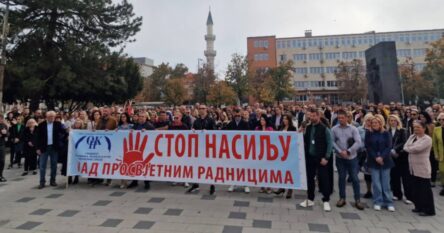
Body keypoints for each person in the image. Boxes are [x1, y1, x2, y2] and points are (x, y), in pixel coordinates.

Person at [299, 108, 333, 212]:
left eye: (314, 116)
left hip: (321, 158)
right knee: (310, 179)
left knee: (324, 179)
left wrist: (326, 157)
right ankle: (310, 199)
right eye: (310, 116)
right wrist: (300, 133)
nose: (312, 118)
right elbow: (304, 140)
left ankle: (326, 200)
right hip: (310, 157)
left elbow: (330, 144)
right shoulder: (308, 128)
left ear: (318, 116)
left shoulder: (324, 128)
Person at [331, 110, 364, 210]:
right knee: (341, 178)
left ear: (347, 118)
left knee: (354, 178)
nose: (340, 119)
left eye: (342, 118)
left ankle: (357, 199)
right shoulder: (334, 129)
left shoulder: (353, 129)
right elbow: (332, 141)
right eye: (339, 118)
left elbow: (358, 142)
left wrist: (348, 151)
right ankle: (342, 198)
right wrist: (339, 151)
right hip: (340, 157)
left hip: (352, 157)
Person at [404, 121, 435, 216]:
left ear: (424, 128)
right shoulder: (412, 137)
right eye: (415, 127)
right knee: (415, 189)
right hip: (412, 167)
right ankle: (419, 206)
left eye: (418, 127)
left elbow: (417, 149)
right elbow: (405, 147)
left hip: (422, 167)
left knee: (424, 190)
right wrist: (409, 147)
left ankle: (428, 209)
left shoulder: (427, 139)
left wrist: (409, 148)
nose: (416, 129)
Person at [365, 115, 395, 211]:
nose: (374, 124)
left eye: (376, 123)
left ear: (380, 123)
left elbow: (389, 146)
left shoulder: (386, 133)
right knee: (376, 183)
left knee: (385, 183)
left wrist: (381, 157)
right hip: (373, 161)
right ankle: (378, 201)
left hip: (385, 160)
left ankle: (388, 202)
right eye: (373, 123)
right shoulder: (368, 133)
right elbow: (368, 146)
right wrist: (376, 157)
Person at [187, 104, 217, 195]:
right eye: (200, 109)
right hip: (198, 147)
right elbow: (194, 130)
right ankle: (195, 184)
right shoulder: (196, 121)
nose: (201, 110)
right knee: (196, 165)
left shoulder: (211, 120)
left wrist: (208, 132)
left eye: (203, 108)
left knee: (210, 166)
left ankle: (212, 185)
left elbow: (215, 131)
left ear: (206, 110)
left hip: (208, 147)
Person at [36, 111, 65, 189]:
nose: (52, 118)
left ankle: (53, 180)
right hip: (44, 147)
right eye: (50, 116)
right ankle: (42, 182)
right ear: (46, 117)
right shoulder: (41, 125)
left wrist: (69, 132)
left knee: (54, 165)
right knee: (42, 166)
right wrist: (37, 148)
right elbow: (37, 137)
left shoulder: (58, 124)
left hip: (54, 147)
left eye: (53, 116)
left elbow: (64, 132)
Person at [127, 111, 155, 190]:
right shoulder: (136, 125)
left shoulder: (149, 126)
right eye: (140, 116)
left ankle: (147, 182)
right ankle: (135, 181)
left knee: (145, 165)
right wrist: (132, 131)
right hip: (136, 149)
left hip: (146, 149)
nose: (141, 118)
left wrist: (147, 131)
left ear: (146, 118)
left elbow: (154, 135)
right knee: (134, 164)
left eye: (143, 117)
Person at [387, 114, 412, 204]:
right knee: (394, 177)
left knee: (405, 178)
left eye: (394, 120)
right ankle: (397, 194)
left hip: (402, 157)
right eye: (390, 120)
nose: (392, 122)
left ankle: (409, 196)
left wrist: (396, 151)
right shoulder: (387, 131)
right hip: (392, 157)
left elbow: (405, 143)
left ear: (397, 121)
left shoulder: (402, 131)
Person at [226, 109, 251, 193]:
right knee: (234, 167)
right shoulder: (231, 123)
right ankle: (233, 183)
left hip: (243, 149)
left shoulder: (245, 123)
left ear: (241, 115)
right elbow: (223, 132)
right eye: (236, 116)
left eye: (239, 116)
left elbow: (249, 135)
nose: (237, 117)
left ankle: (246, 184)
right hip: (233, 149)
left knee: (244, 167)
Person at [274, 113, 297, 199]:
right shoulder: (280, 128)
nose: (284, 120)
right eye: (283, 119)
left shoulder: (293, 128)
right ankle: (282, 187)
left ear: (289, 120)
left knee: (289, 171)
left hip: (289, 152)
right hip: (281, 153)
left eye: (286, 119)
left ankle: (290, 189)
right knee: (282, 170)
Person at [255, 114, 274, 194]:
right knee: (261, 169)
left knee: (268, 169)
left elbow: (273, 139)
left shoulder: (270, 129)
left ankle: (269, 187)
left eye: (263, 120)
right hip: (259, 152)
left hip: (268, 152)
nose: (262, 121)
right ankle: (262, 186)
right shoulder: (257, 129)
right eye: (261, 120)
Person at [358, 113, 374, 198]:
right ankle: (368, 190)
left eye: (371, 120)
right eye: (368, 120)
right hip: (363, 153)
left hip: (373, 153)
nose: (369, 122)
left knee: (374, 173)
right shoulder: (360, 129)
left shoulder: (375, 129)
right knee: (366, 173)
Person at [432, 112, 444, 196]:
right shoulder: (436, 129)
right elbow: (434, 143)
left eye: (443, 119)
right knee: (442, 171)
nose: (442, 121)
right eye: (440, 119)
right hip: (441, 155)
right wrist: (436, 154)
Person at [0, 115, 8, 182]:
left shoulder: (4, 125)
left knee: (2, 161)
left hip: (2, 145)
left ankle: (1, 175)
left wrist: (5, 134)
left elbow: (7, 134)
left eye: (1, 119)